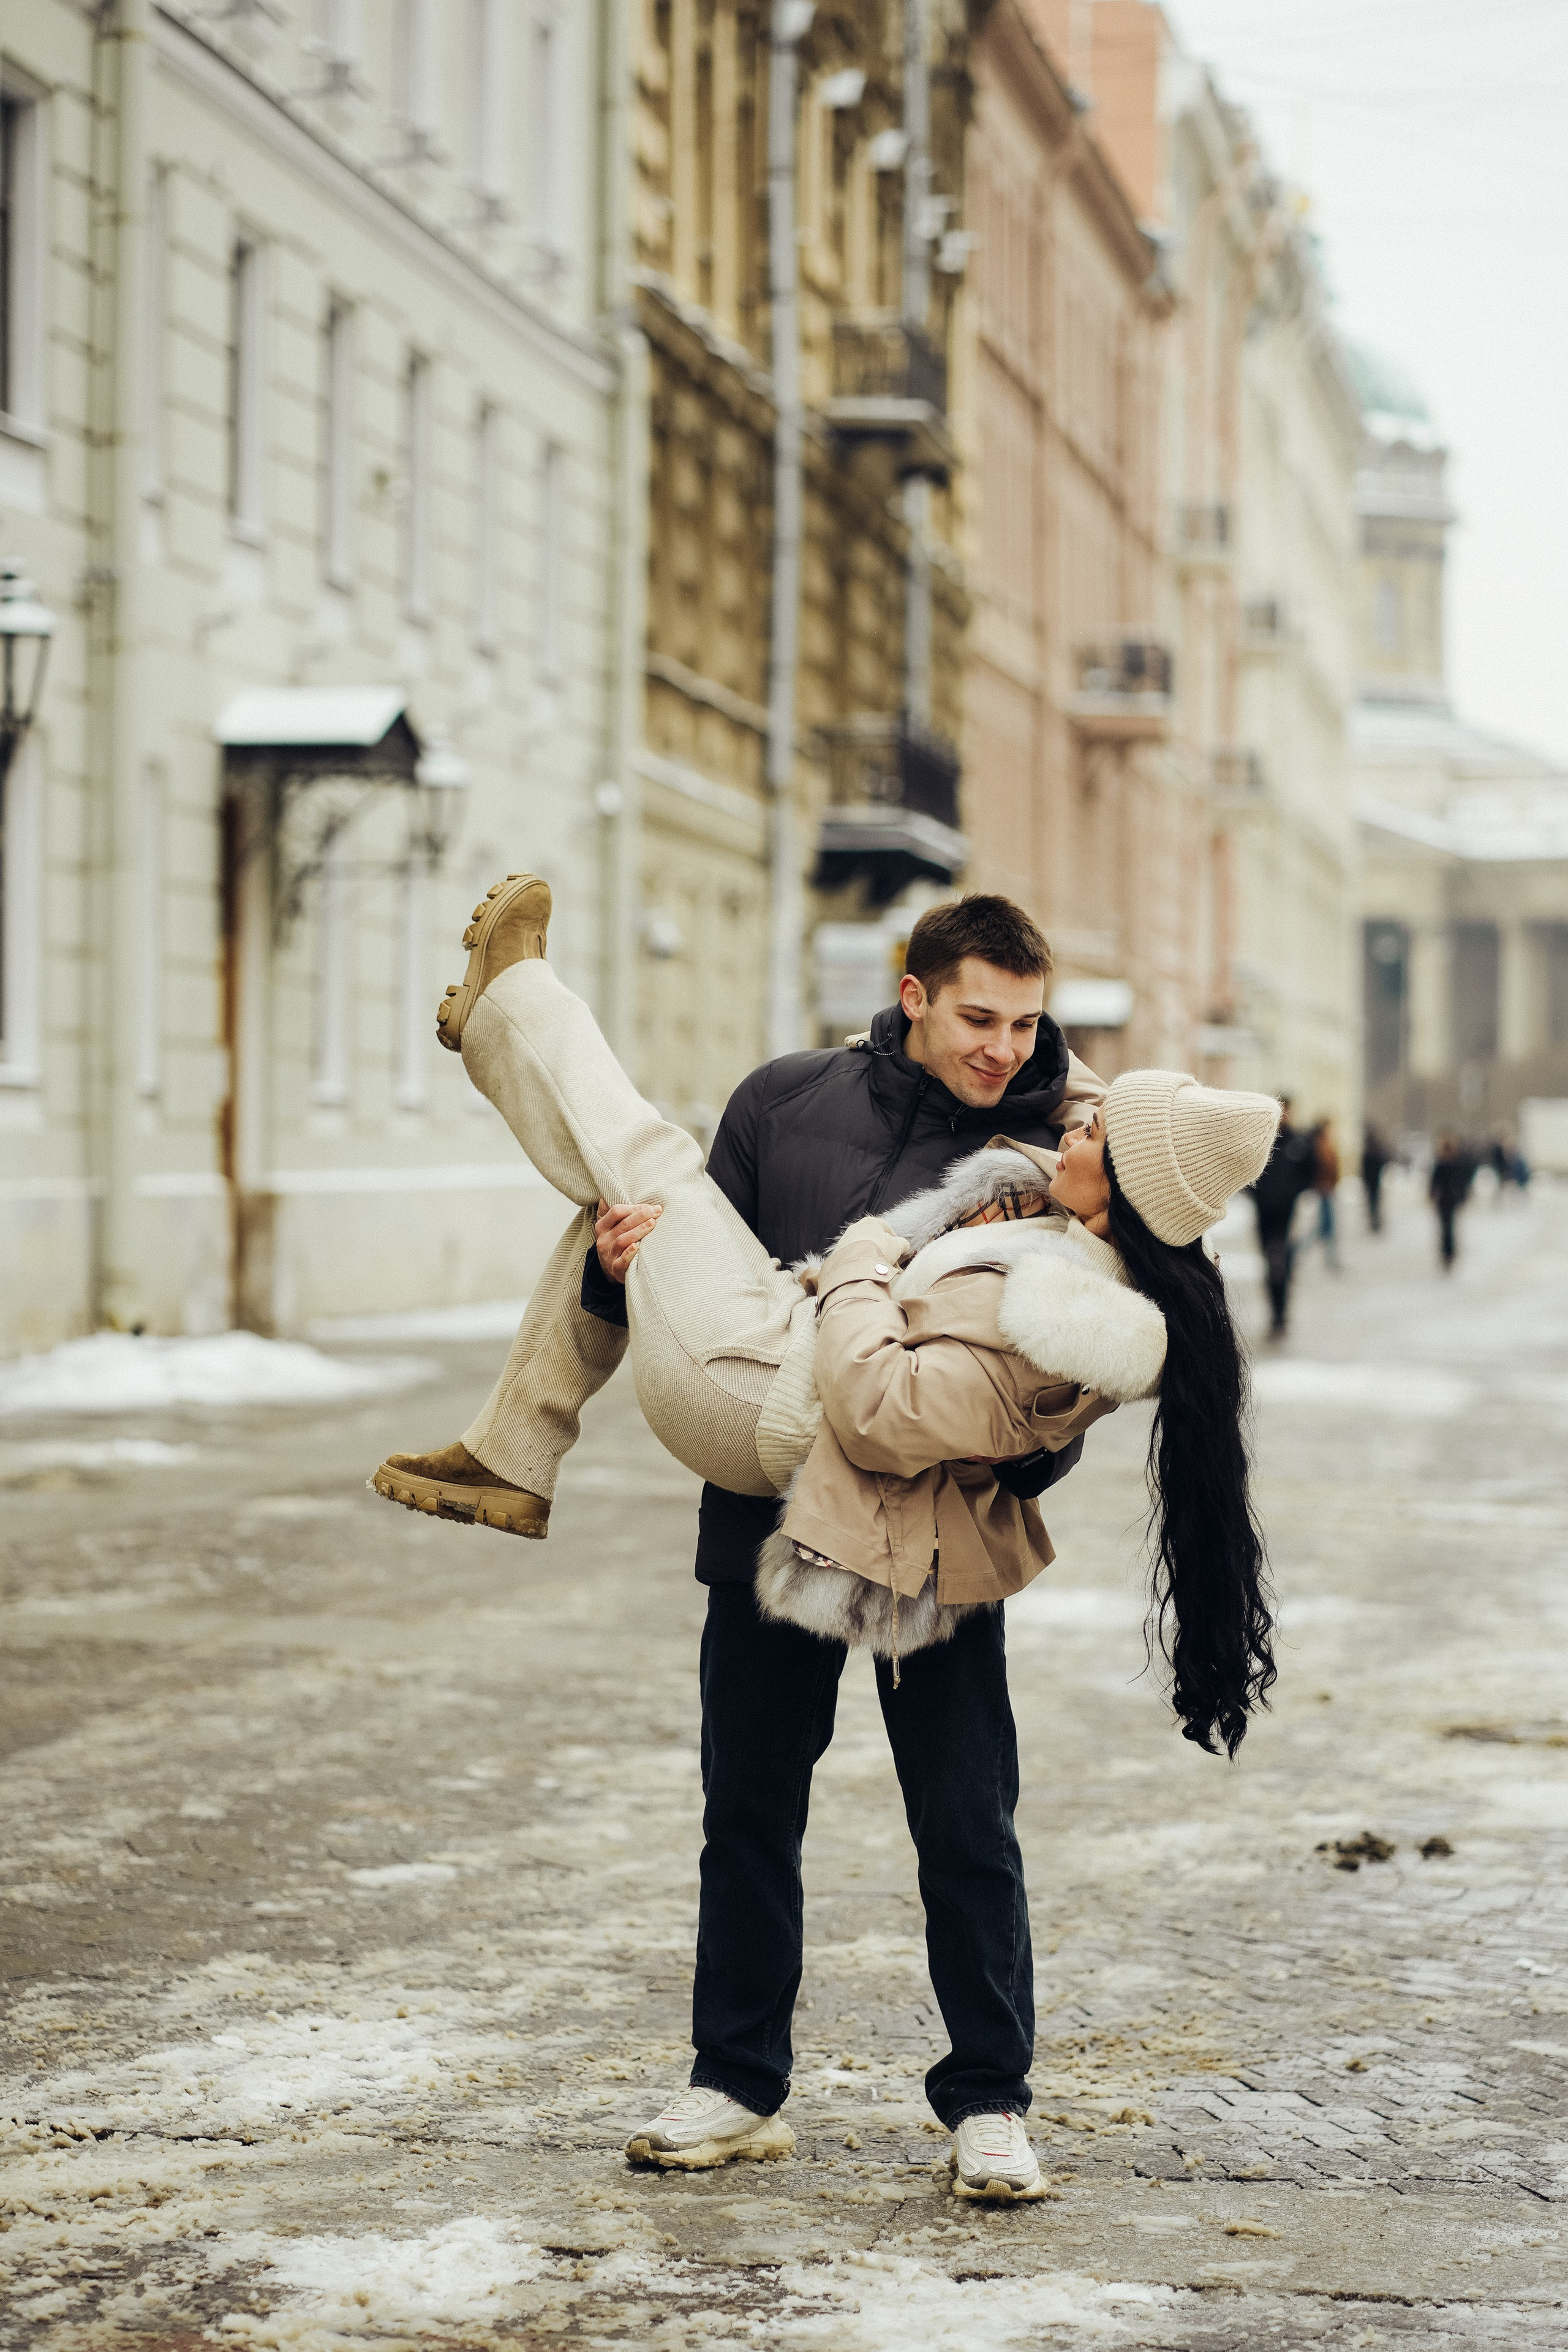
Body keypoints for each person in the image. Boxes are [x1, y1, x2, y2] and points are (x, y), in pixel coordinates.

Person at [372, 875, 1280, 2203]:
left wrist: (953, 1386)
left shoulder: (1053, 1149)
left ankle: (988, 2102)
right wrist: (619, 1275)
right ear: (909, 993)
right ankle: (734, 2083)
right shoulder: (781, 1103)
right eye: (980, 1018)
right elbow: (700, 1280)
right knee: (746, 1809)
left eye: (1028, 1025)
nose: (1008, 1051)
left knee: (965, 1823)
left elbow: (1050, 1405)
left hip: (929, 1538)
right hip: (768, 1510)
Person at [1248, 1098, 1317, 1337]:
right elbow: (1246, 1171)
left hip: (1287, 1215)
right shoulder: (1261, 1140)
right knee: (1270, 1263)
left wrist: (1293, 1193)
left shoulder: (1298, 1142)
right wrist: (1258, 1195)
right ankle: (1274, 1312)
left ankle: (1281, 1313)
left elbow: (1309, 1174)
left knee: (1283, 1263)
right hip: (1265, 1213)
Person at [1430, 1134, 1474, 1270]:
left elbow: (1435, 1183)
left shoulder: (1445, 1164)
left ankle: (1447, 1253)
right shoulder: (1450, 1164)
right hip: (1449, 1200)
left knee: (1446, 1228)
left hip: (1446, 1200)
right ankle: (1448, 1253)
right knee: (1448, 1228)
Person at [1310, 1117, 1341, 1271]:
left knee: (1326, 1227)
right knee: (1326, 1226)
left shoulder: (1325, 1143)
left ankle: (1332, 1259)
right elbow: (1323, 1167)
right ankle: (1331, 1260)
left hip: (1328, 1188)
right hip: (1324, 1189)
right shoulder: (1320, 1145)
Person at [1360, 1125, 1392, 1233]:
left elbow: (1364, 1168)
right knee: (1375, 1202)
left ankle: (1375, 1221)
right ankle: (1375, 1221)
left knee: (1373, 1202)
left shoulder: (1369, 1152)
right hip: (1374, 1181)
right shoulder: (1376, 1151)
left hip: (1371, 1181)